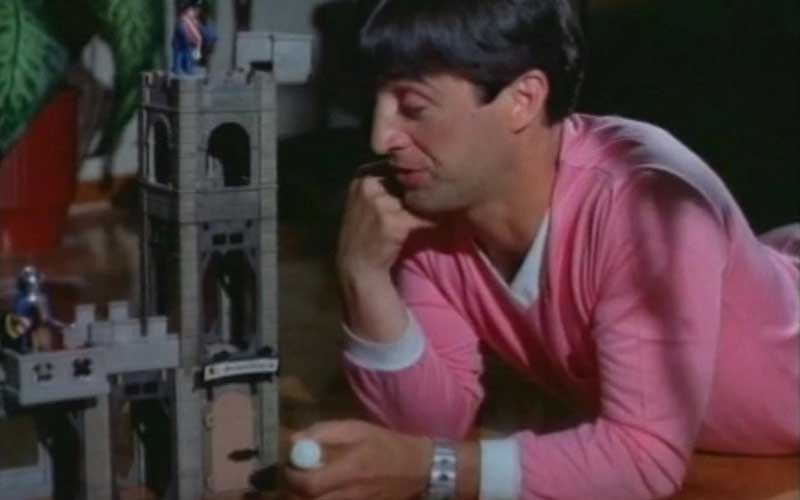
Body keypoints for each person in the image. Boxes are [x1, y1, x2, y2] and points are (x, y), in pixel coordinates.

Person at [285, 0, 800, 499]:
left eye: (413, 107)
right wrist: (363, 275)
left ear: (523, 99)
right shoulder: (436, 210)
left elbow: (644, 457)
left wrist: (433, 469)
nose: (380, 138)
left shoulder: (647, 203)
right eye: (374, 101)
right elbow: (427, 429)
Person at [171, 0, 217, 75]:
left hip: (192, 51)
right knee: (182, 66)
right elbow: (184, 34)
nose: (197, 11)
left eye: (198, 9)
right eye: (194, 9)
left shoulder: (200, 21)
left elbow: (211, 36)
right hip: (182, 48)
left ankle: (190, 66)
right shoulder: (183, 22)